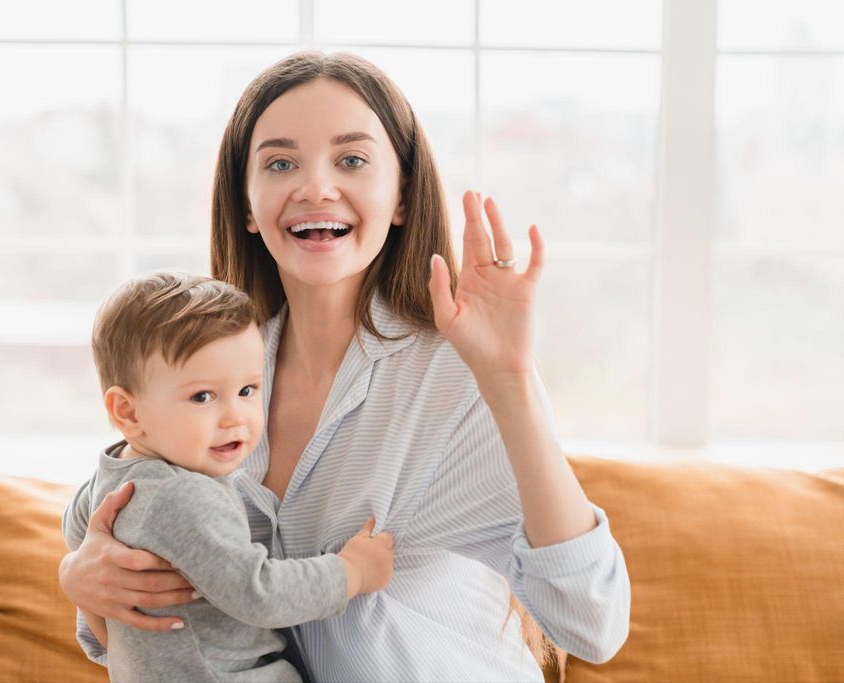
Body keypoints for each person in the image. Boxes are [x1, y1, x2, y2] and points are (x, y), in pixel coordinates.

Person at [60, 50, 631, 683]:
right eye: (280, 163)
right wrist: (82, 577)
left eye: (352, 160)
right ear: (248, 206)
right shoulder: (209, 380)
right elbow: (141, 597)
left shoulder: (457, 375)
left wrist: (510, 381)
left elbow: (593, 625)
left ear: (402, 198)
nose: (315, 187)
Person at [62, 270, 395, 682]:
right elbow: (259, 592)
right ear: (128, 412)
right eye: (203, 396)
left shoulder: (110, 477)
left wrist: (84, 586)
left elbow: (78, 532)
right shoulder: (182, 497)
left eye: (248, 390)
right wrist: (352, 572)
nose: (235, 416)